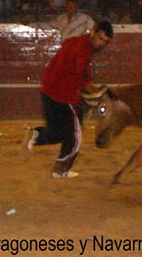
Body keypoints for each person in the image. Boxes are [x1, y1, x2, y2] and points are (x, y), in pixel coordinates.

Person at [22, 20, 114, 179]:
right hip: (64, 95)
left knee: (57, 133)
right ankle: (61, 169)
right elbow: (80, 76)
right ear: (93, 31)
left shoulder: (75, 41)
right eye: (100, 38)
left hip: (47, 90)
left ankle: (35, 135)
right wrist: (97, 91)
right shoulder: (84, 50)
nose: (101, 44)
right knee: (75, 136)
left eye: (104, 41)